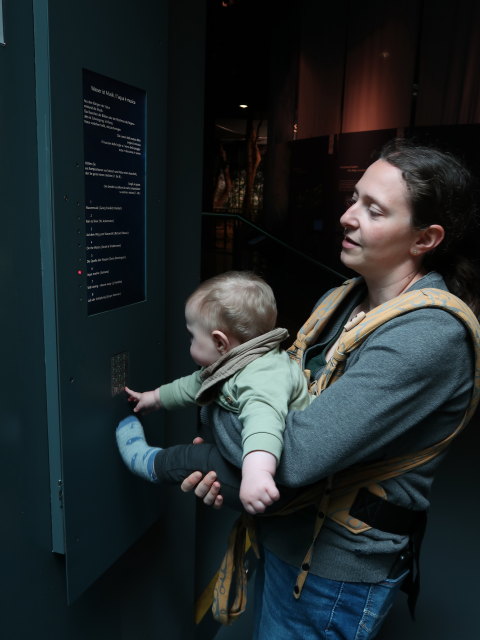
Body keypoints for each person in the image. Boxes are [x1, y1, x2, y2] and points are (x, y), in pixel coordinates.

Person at [180, 138, 480, 639]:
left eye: (374, 210)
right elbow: (273, 401)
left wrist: (213, 416)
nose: (347, 216)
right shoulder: (341, 299)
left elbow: (293, 454)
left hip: (330, 574)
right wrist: (236, 457)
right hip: (287, 538)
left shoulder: (428, 335)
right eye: (354, 199)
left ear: (425, 239)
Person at [116, 270, 312, 514]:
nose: (189, 342)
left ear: (220, 343)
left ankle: (147, 462)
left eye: (192, 337)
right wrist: (153, 399)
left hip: (274, 484)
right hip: (248, 462)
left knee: (192, 459)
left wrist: (257, 474)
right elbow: (195, 384)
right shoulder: (239, 358)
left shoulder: (263, 377)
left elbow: (264, 424)